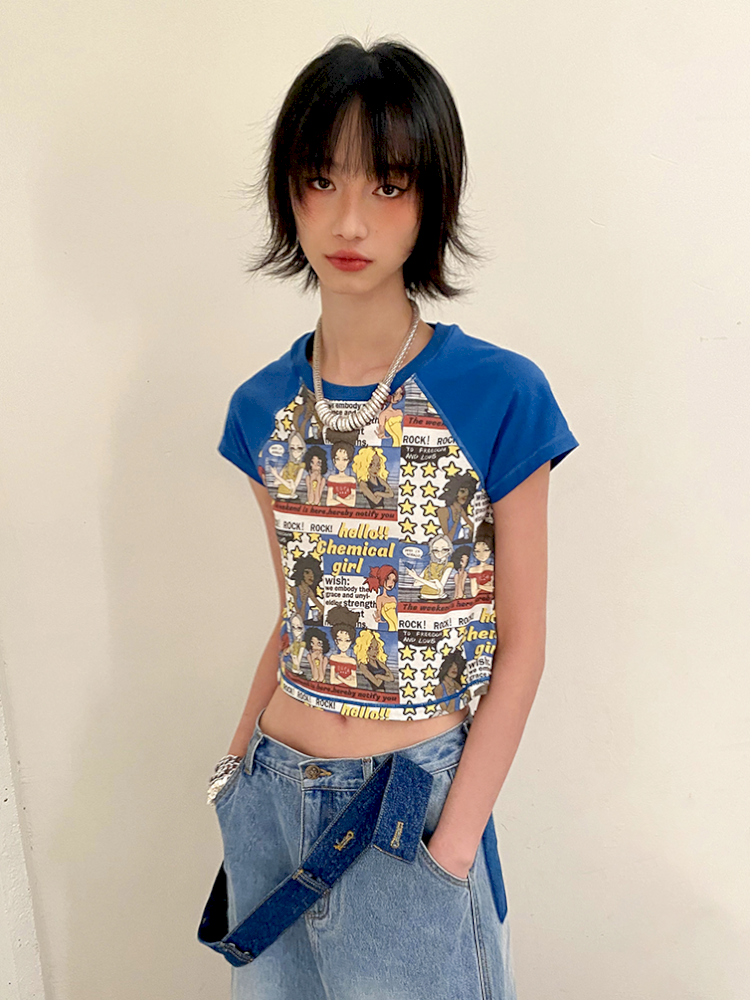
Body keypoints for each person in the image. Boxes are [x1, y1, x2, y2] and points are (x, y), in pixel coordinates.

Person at [202, 35, 579, 1000]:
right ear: (289, 193)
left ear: (430, 198)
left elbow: (523, 646)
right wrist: (234, 774)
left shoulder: (498, 394)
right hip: (269, 802)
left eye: (388, 185)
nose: (350, 219)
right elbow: (296, 614)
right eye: (322, 180)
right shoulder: (261, 411)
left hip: (408, 813)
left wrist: (451, 850)